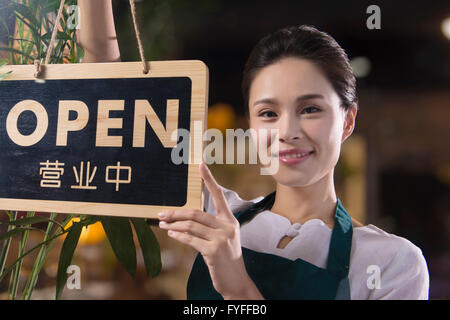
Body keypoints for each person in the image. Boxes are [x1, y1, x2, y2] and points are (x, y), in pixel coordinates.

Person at [79, 0, 429, 300]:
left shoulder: (391, 263)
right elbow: (112, 105)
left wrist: (238, 289)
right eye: (268, 113)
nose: (287, 132)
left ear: (348, 120)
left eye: (310, 109)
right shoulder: (216, 214)